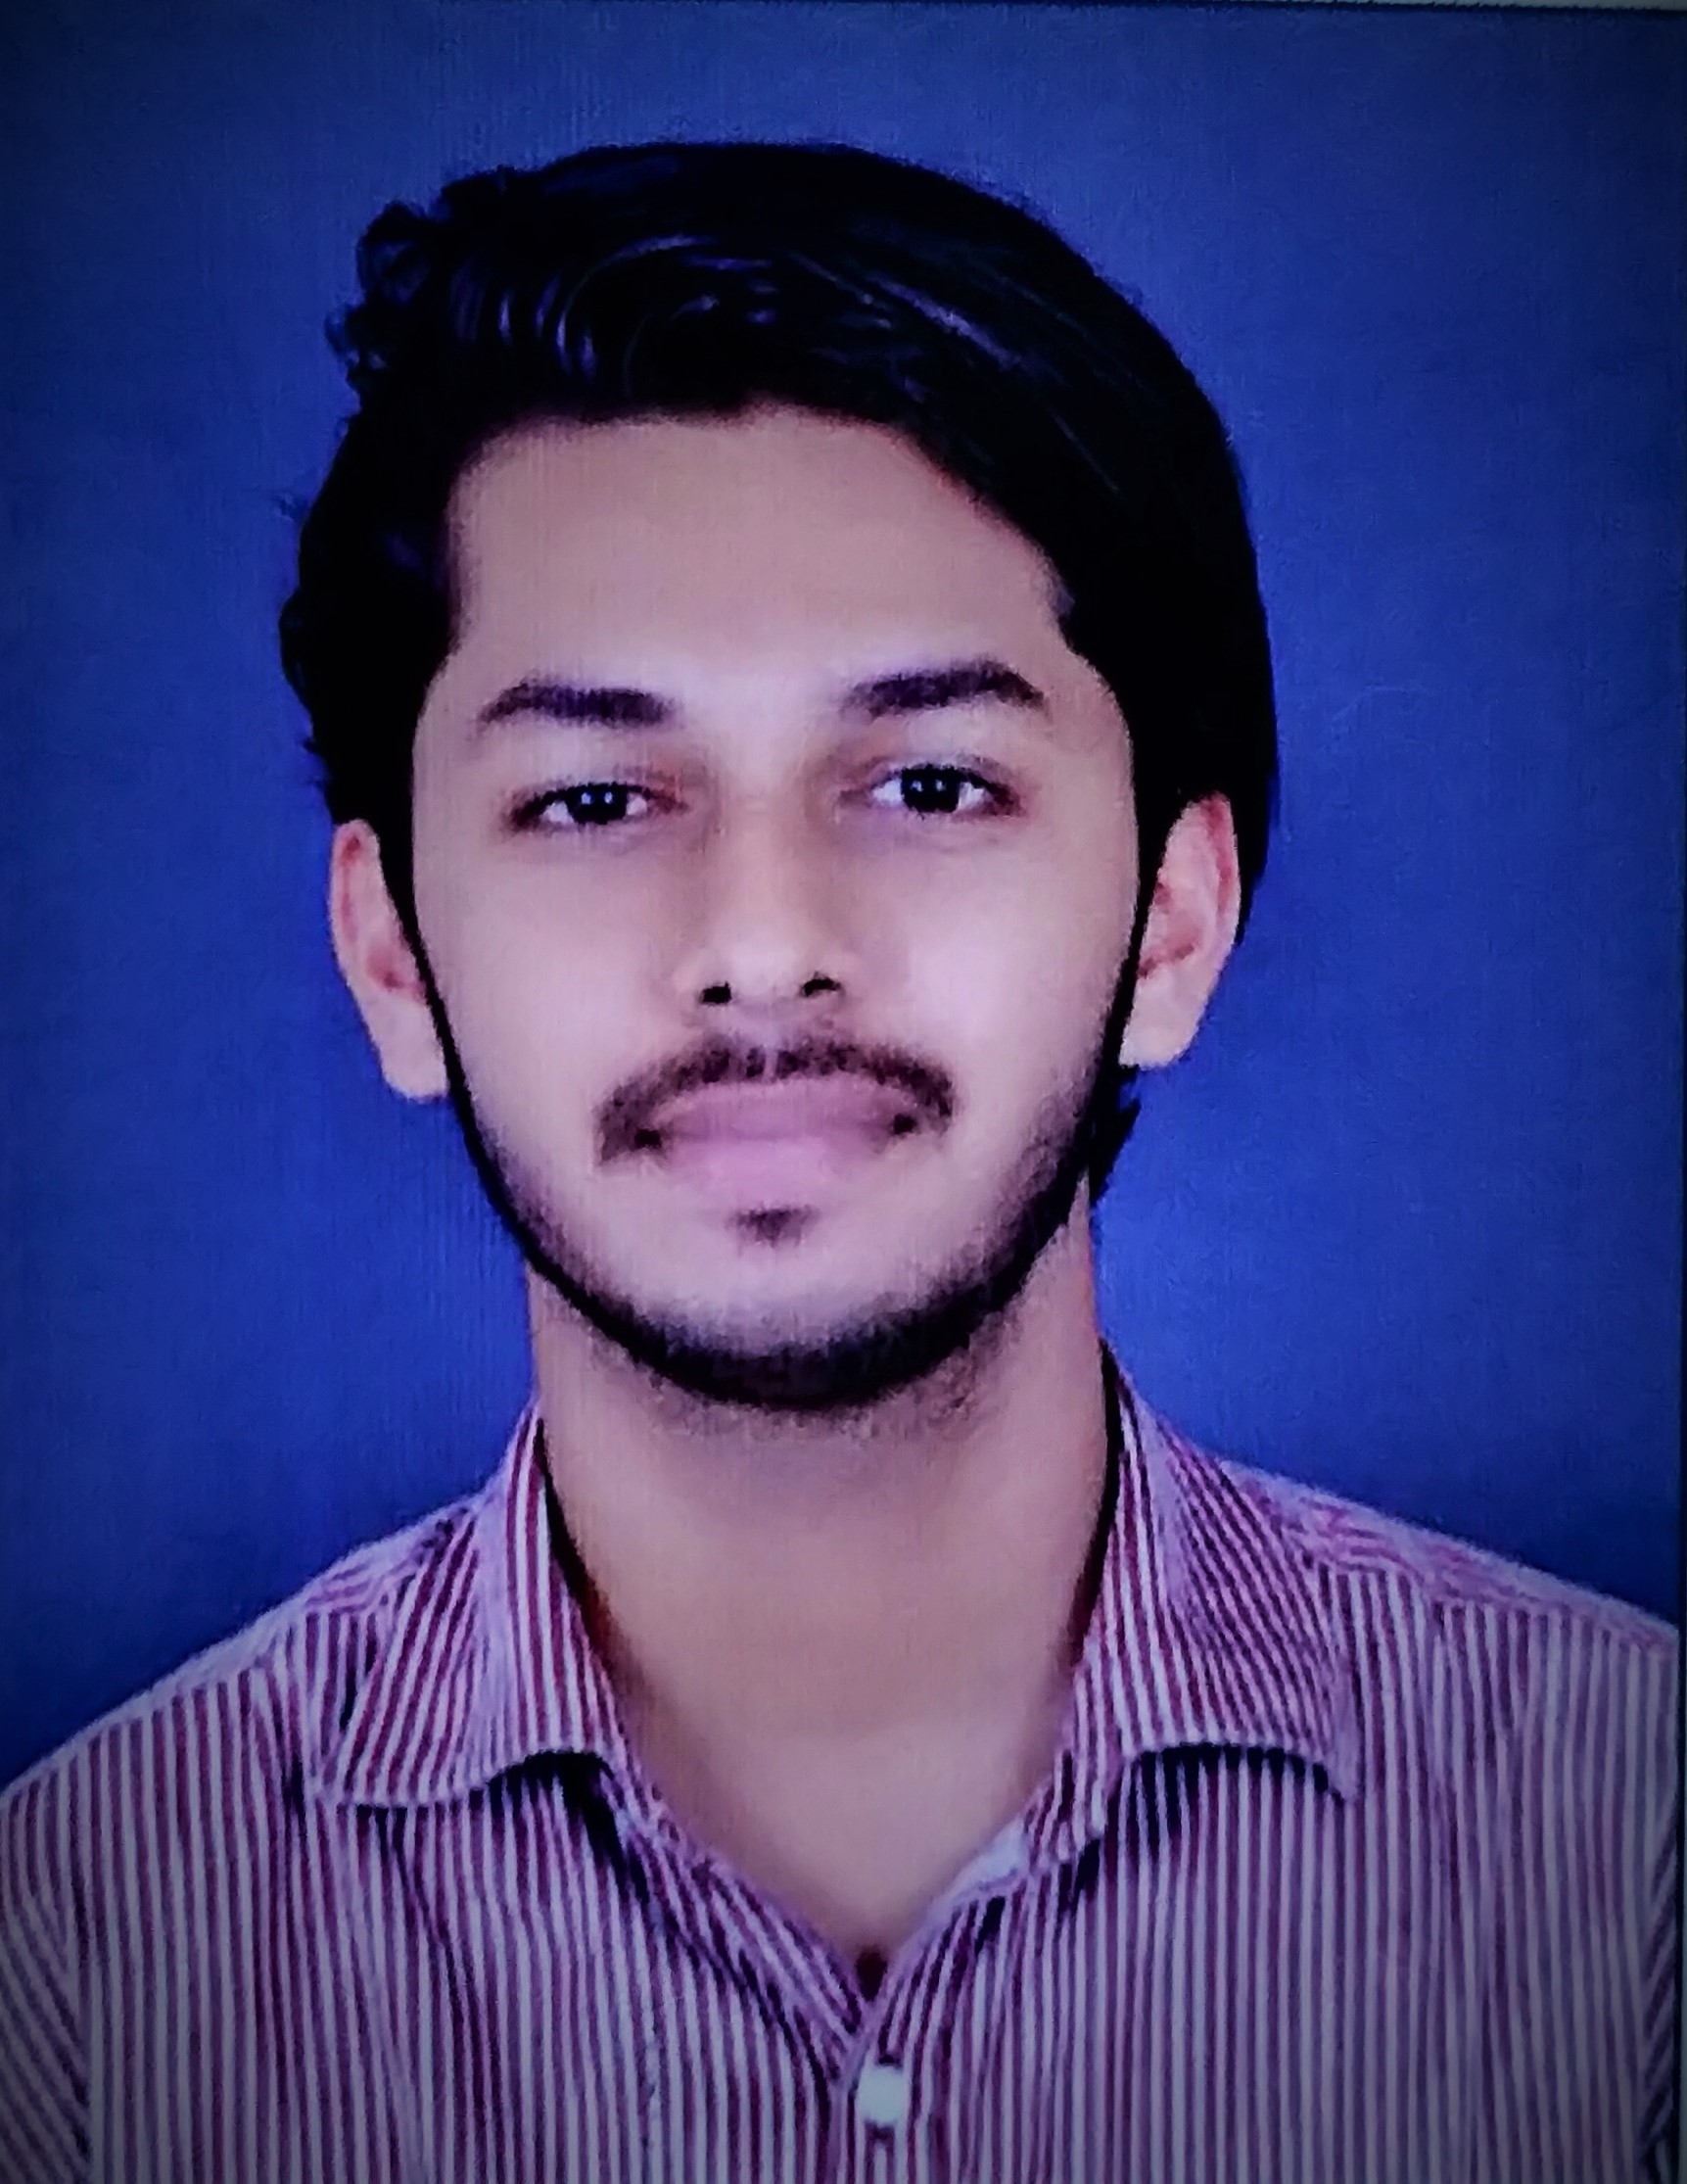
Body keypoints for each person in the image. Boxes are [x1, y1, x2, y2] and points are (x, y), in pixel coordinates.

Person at [0, 139, 1675, 2184]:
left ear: (1171, 923)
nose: (765, 941)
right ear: (393, 958)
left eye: (932, 782)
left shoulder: (1632, 1867)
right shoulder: (72, 1965)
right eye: (597, 796)